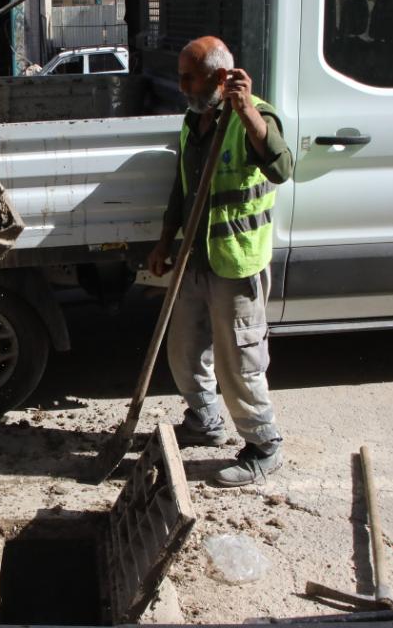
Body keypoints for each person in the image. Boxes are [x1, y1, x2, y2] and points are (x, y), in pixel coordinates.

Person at [146, 36, 293, 487]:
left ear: (219, 77)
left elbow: (282, 168)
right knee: (184, 348)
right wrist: (164, 241)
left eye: (189, 77)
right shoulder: (194, 121)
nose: (181, 84)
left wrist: (246, 111)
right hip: (195, 256)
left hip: (235, 260)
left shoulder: (254, 115)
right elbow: (182, 187)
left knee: (239, 359)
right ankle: (204, 420)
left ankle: (263, 446)